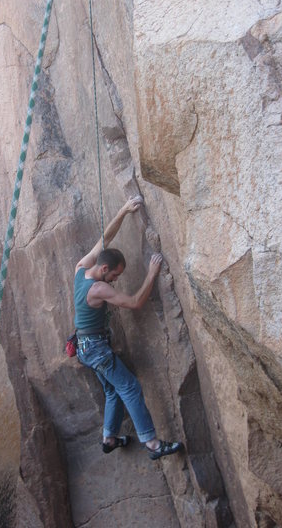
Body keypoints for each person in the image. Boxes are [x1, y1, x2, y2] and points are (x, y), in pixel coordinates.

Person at [74, 195, 184, 460]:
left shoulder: (80, 269)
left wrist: (123, 210)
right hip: (96, 350)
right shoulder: (99, 288)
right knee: (130, 387)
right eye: (115, 275)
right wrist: (151, 274)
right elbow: (134, 302)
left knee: (113, 389)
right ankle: (153, 444)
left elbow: (105, 240)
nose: (116, 280)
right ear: (103, 269)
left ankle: (109, 438)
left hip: (84, 347)